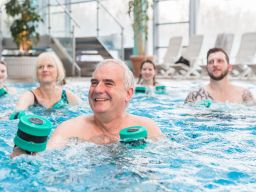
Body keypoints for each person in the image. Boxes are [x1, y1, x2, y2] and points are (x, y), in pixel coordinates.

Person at [11, 59, 163, 157]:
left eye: (108, 83)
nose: (97, 90)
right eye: (94, 82)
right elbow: (45, 156)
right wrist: (25, 154)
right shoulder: (70, 130)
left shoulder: (148, 129)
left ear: (128, 93)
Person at [185, 47, 255, 104]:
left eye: (219, 61)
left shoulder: (244, 94)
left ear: (229, 67)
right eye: (211, 62)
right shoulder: (194, 96)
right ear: (207, 68)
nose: (215, 64)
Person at [15, 52, 81, 111]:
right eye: (40, 67)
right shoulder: (30, 96)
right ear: (36, 73)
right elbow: (19, 110)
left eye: (50, 66)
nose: (45, 69)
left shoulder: (66, 96)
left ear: (58, 71)